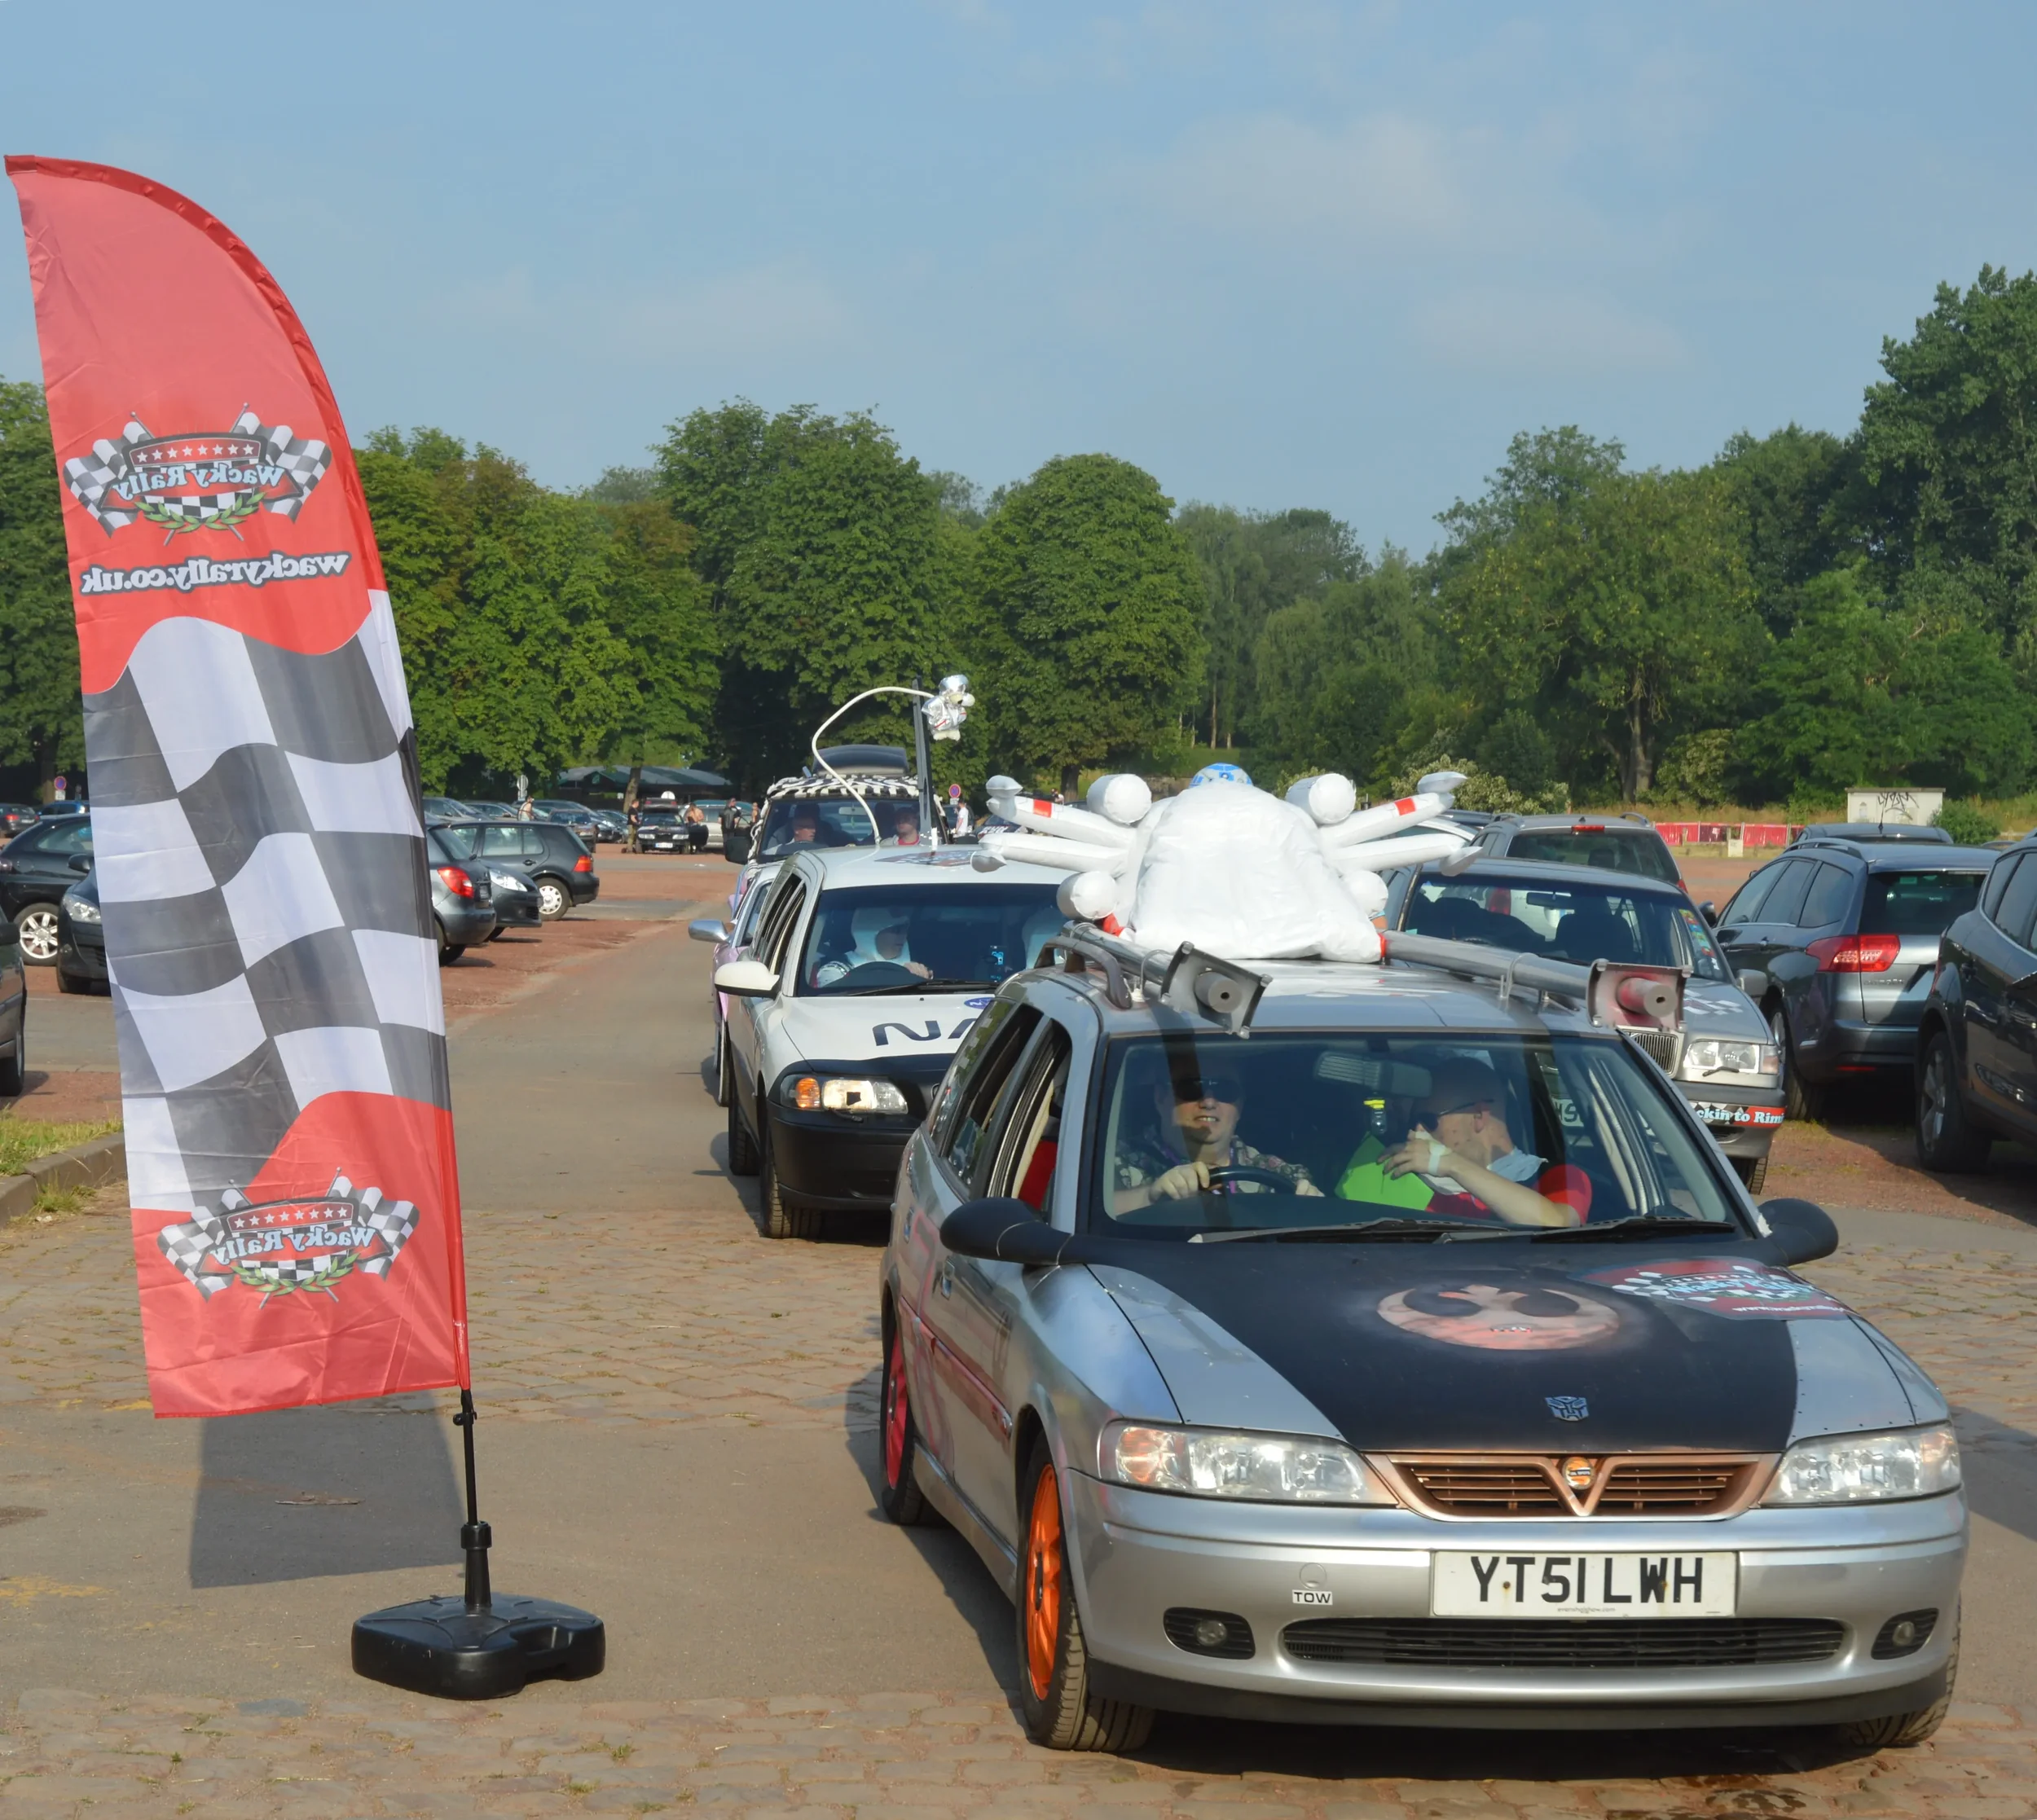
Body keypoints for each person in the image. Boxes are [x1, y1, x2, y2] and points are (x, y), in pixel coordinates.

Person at [1371, 1057, 1586, 1229]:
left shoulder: (1557, 1176)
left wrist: (1451, 1164)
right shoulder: (1411, 1181)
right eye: (1414, 1122)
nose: (1416, 1131)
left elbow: (1557, 1224)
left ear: (1479, 1115)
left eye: (1429, 1120)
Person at [1112, 1064, 1322, 1213]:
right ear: (1160, 1097)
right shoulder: (1114, 1162)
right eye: (1193, 1087)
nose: (1209, 1101)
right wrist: (1149, 1196)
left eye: (1225, 1090)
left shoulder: (1280, 1174)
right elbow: (1089, 1210)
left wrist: (1314, 1211)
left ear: (1240, 1106)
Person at [814, 907, 932, 987]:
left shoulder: (917, 970)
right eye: (896, 930)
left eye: (905, 930)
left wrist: (923, 982)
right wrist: (906, 979)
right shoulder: (834, 971)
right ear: (870, 933)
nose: (903, 935)